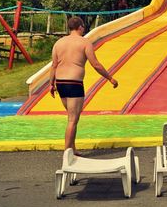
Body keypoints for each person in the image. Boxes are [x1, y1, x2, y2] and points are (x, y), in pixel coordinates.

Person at [49, 16, 118, 152]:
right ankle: (68, 152)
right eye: (83, 27)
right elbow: (96, 64)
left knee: (72, 118)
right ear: (80, 27)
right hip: (74, 83)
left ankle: (72, 149)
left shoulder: (59, 43)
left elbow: (54, 66)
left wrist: (51, 84)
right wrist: (110, 78)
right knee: (72, 120)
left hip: (61, 83)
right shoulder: (84, 42)